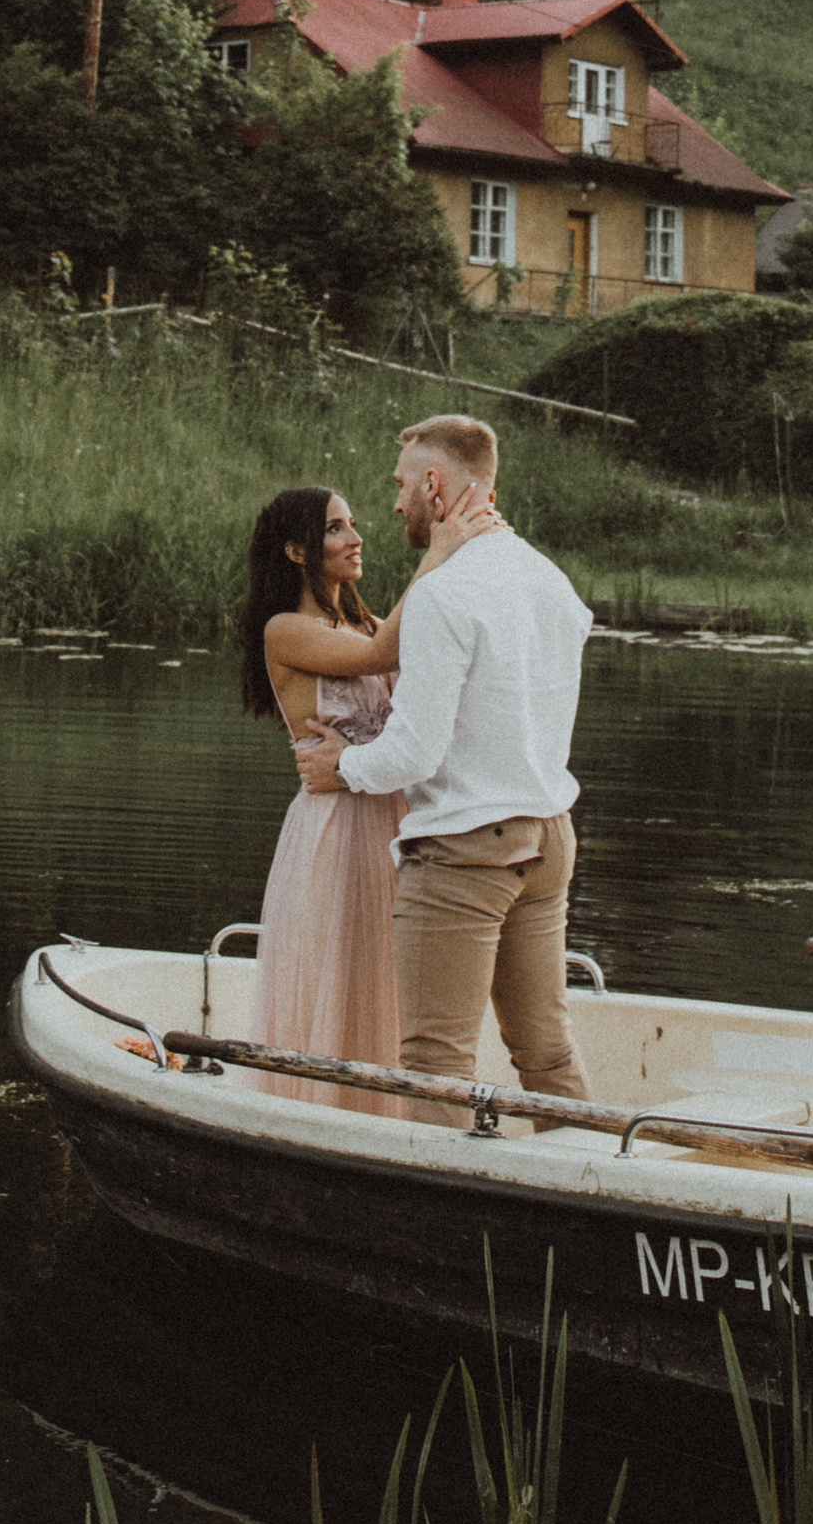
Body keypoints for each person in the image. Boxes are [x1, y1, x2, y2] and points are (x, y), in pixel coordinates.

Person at [294, 413, 591, 1113]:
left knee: (435, 1061)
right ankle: (601, 1193)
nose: (394, 503)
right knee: (546, 1051)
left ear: (435, 483)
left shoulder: (443, 593)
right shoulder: (552, 582)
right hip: (549, 838)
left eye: (400, 485)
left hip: (466, 852)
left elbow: (413, 751)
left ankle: (439, 1222)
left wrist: (344, 766)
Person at [235, 479, 482, 1114]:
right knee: (340, 975)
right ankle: (324, 1120)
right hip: (336, 827)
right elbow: (382, 654)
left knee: (391, 979)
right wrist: (438, 553)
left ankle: (394, 1120)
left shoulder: (369, 620)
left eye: (353, 524)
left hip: (395, 818)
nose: (357, 536)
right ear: (297, 552)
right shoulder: (285, 630)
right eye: (338, 527)